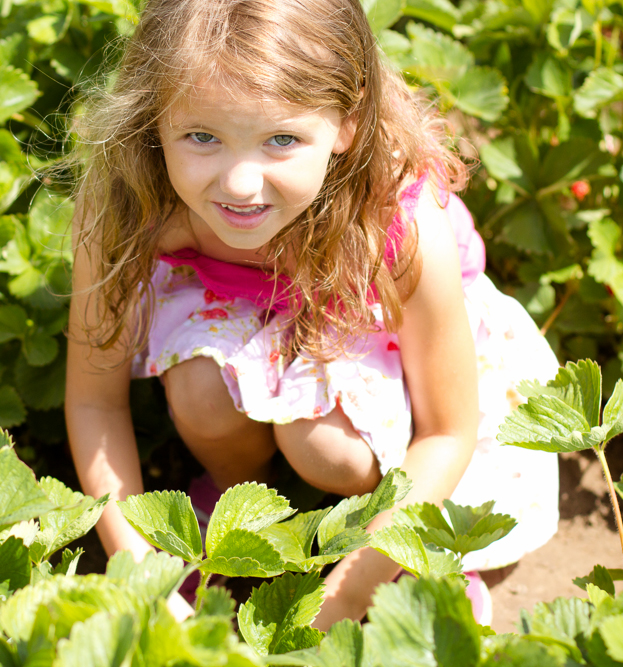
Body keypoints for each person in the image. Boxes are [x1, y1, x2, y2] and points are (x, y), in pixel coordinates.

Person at [64, 0, 560, 627]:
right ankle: (234, 508)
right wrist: (140, 572)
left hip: (369, 320)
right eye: (202, 137)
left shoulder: (400, 221)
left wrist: (349, 593)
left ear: (347, 124)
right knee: (202, 394)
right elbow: (95, 403)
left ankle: (404, 547)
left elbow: (447, 432)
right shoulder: (126, 204)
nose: (241, 184)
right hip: (235, 306)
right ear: (152, 118)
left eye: (282, 140)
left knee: (327, 447)